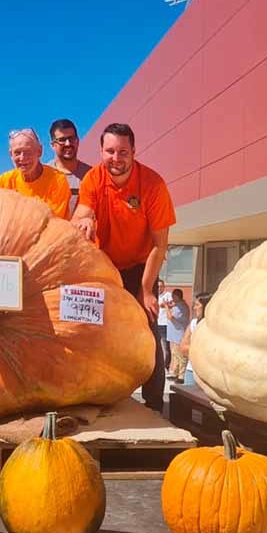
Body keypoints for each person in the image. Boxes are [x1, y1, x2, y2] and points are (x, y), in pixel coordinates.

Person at [70, 123, 175, 413]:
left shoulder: (153, 185)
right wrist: (85, 219)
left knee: (148, 330)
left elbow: (160, 245)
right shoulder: (94, 178)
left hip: (141, 268)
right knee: (94, 331)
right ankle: (99, 398)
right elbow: (82, 212)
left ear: (133, 152)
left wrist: (146, 291)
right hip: (103, 268)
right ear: (101, 151)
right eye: (110, 151)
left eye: (123, 152)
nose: (116, 158)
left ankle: (154, 404)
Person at [0, 128, 72, 218]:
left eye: (28, 152)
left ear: (39, 151)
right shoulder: (4, 182)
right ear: (11, 155)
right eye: (17, 153)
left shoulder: (57, 181)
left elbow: (50, 222)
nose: (22, 158)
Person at [47, 119, 93, 216]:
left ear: (77, 141)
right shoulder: (43, 174)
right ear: (52, 145)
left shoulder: (91, 176)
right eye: (62, 140)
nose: (68, 144)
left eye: (71, 139)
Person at [180, 293, 211, 387]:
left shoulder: (215, 326)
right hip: (191, 372)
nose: (194, 308)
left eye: (197, 305)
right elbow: (183, 348)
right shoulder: (193, 323)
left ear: (206, 306)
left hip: (209, 375)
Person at [166, 289, 190, 378]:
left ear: (177, 296)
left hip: (180, 334)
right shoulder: (177, 305)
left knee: (181, 356)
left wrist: (166, 307)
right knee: (175, 354)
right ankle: (175, 373)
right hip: (175, 335)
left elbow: (170, 317)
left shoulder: (181, 306)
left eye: (173, 296)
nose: (172, 298)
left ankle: (181, 376)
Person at [155, 279, 172, 371]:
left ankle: (166, 367)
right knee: (156, 346)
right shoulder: (154, 295)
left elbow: (173, 303)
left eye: (161, 286)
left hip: (165, 324)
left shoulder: (167, 295)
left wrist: (166, 305)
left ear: (164, 287)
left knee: (166, 347)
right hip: (156, 323)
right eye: (158, 286)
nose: (159, 288)